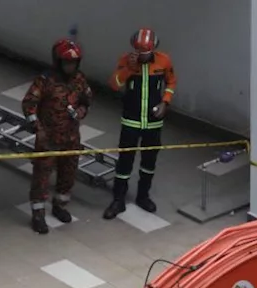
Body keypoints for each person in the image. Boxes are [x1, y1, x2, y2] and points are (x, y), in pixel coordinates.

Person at [103, 29, 177, 220]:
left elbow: (171, 81)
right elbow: (114, 84)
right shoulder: (126, 60)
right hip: (131, 120)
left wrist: (165, 102)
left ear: (153, 50)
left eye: (145, 52)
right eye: (138, 51)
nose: (141, 55)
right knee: (125, 161)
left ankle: (143, 196)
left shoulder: (164, 61)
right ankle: (118, 200)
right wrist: (130, 68)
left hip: (153, 123)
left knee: (149, 162)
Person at [21, 38, 92, 235]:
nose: (70, 66)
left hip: (71, 139)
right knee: (41, 177)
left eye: (74, 62)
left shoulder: (80, 80)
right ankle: (38, 213)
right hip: (48, 140)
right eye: (67, 62)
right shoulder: (45, 80)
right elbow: (29, 104)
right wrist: (38, 129)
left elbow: (87, 101)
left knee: (68, 175)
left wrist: (80, 112)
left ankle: (60, 205)